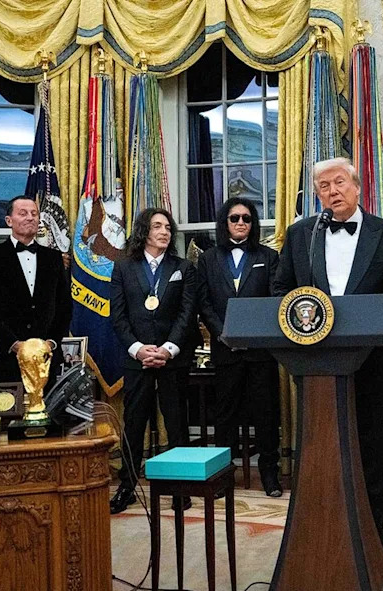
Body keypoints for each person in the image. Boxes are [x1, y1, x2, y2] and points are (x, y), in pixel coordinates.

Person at [273, 156, 383, 575]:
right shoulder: (302, 235)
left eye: (339, 182)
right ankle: (320, 542)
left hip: (374, 366)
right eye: (323, 186)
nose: (332, 191)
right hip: (317, 368)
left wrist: (360, 317)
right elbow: (282, 287)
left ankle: (374, 545)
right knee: (321, 459)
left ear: (357, 187)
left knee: (371, 458)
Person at [109, 208, 197, 515]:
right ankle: (127, 486)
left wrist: (168, 349)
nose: (165, 231)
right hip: (138, 361)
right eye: (157, 226)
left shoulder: (183, 267)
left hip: (172, 360)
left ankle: (180, 488)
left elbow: (188, 314)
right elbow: (117, 316)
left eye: (168, 227)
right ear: (144, 231)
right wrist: (138, 349)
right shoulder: (123, 267)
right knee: (134, 425)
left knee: (177, 425)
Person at [197, 197, 282, 498]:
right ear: (225, 222)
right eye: (235, 218)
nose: (241, 223)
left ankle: (270, 475)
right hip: (225, 349)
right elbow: (204, 302)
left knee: (266, 413)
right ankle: (223, 476)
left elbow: (276, 299)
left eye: (247, 218)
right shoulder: (208, 259)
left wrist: (254, 333)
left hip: (261, 352)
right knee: (225, 416)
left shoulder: (269, 257)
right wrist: (222, 333)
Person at [0, 196, 72, 384]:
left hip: (46, 359)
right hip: (4, 359)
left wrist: (50, 343)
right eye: (23, 213)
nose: (30, 218)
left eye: (34, 214)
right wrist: (14, 344)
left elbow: (64, 306)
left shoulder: (54, 258)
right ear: (9, 220)